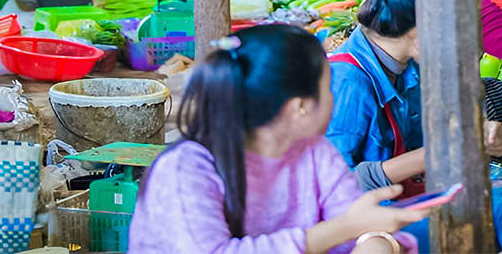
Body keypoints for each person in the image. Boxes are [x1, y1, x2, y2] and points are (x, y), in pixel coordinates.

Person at [325, 0, 502, 254]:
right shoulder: (347, 83)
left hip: (408, 196)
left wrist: (483, 129)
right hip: (359, 224)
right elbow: (334, 188)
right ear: (418, 34)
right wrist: (441, 151)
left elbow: (444, 121)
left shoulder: (406, 64)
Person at [130, 24, 425, 253]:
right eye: (327, 87)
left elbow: (362, 227)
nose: (335, 96)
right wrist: (345, 228)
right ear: (300, 107)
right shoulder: (185, 170)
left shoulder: (315, 152)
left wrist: (375, 240)